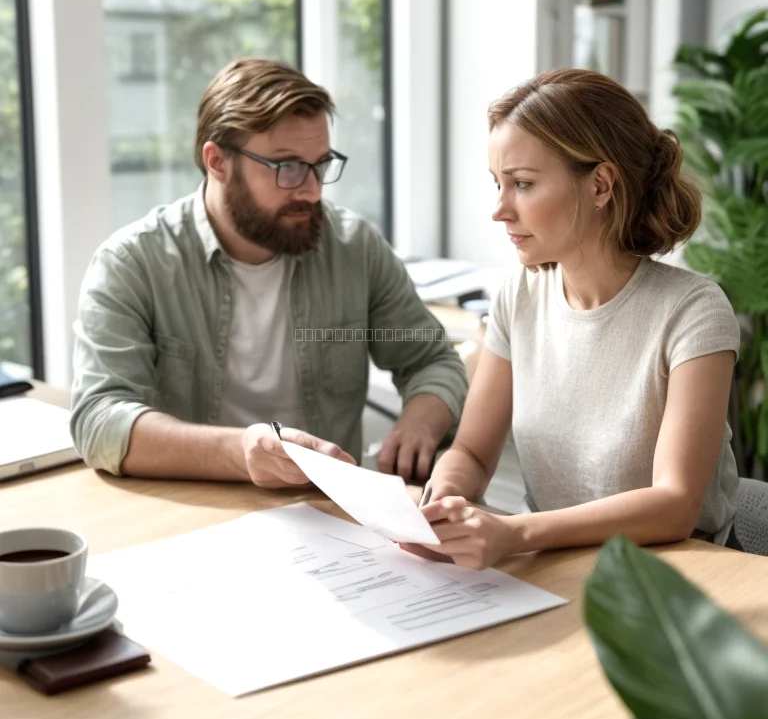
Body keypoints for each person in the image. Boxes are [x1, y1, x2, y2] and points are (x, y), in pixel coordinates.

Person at [70, 58, 468, 487]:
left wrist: (420, 423)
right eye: (288, 167)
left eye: (320, 164)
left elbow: (431, 360)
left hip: (329, 511)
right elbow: (99, 421)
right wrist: (244, 453)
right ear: (217, 161)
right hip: (195, 509)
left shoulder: (354, 248)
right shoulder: (132, 263)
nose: (312, 190)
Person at [403, 68, 742, 570]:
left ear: (601, 185)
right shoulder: (518, 294)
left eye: (522, 184)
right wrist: (445, 499)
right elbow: (472, 452)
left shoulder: (693, 311)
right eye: (498, 184)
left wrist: (513, 532)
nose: (500, 210)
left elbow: (675, 505)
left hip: (675, 576)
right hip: (555, 564)